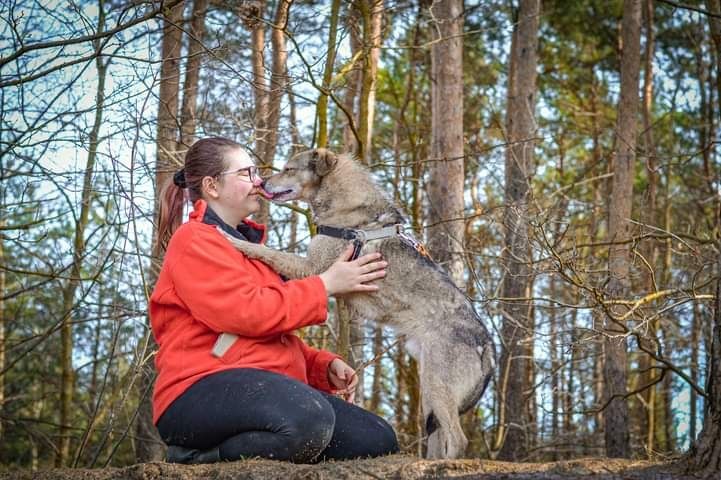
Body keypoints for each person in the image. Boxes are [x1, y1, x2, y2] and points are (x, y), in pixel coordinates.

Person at [150, 137, 399, 464]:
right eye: (246, 173)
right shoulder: (194, 240)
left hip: (259, 387)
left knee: (377, 438)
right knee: (309, 420)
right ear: (212, 186)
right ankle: (196, 457)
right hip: (196, 391)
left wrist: (319, 366)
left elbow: (267, 336)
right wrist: (324, 284)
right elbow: (246, 313)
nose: (258, 181)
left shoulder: (248, 250)